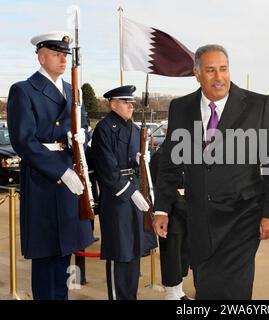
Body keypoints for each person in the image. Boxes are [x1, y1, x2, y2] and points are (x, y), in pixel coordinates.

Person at [153, 44, 269, 299]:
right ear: (197, 73)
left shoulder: (257, 105)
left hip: (242, 217)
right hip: (198, 216)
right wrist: (162, 208)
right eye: (210, 70)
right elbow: (169, 165)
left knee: (234, 287)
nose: (219, 77)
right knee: (206, 284)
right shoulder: (181, 108)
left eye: (223, 69)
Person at [7, 31, 94, 299]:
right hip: (45, 180)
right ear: (41, 57)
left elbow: (84, 126)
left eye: (65, 55)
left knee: (64, 254)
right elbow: (23, 141)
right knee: (46, 256)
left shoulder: (72, 90)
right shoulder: (24, 90)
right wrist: (61, 171)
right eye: (56, 55)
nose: (63, 60)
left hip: (70, 176)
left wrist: (80, 138)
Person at [90, 85, 157, 300]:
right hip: (117, 196)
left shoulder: (136, 129)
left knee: (134, 250)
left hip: (136, 190)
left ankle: (130, 296)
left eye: (131, 102)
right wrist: (130, 191)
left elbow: (139, 160)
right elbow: (107, 169)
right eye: (126, 102)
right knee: (120, 251)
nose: (131, 106)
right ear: (113, 104)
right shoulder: (104, 128)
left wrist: (145, 161)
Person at [150, 143, 191, 300]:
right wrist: (181, 204)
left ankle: (179, 290)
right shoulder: (161, 154)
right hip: (171, 212)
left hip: (186, 209)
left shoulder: (186, 150)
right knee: (171, 255)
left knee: (183, 253)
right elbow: (162, 185)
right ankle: (171, 293)